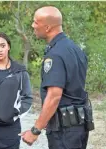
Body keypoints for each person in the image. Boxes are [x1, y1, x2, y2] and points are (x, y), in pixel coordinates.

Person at [20, 6, 93, 149]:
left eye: (36, 22)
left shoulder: (55, 55)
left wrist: (35, 131)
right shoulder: (75, 49)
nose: (33, 26)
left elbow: (54, 96)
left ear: (47, 27)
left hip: (64, 132)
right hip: (78, 127)